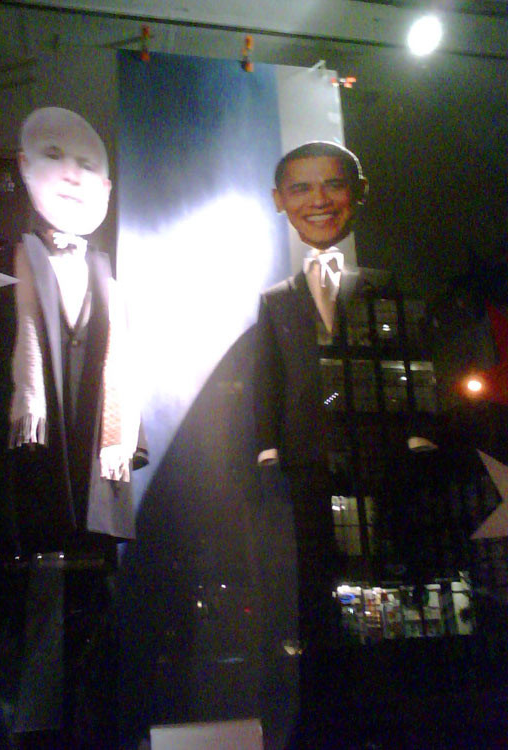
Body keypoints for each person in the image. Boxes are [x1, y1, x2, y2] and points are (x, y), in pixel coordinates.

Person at [253, 141, 375, 745]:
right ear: (280, 201)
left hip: (373, 459)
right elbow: (268, 377)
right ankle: (323, 710)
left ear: (357, 191)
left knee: (376, 571)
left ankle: (374, 702)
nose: (318, 200)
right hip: (305, 463)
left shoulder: (381, 285)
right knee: (314, 582)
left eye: (332, 184)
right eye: (300, 188)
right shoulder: (277, 299)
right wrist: (268, 446)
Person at [9, 106, 147, 555]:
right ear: (24, 165)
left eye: (87, 166)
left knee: (95, 573)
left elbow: (124, 362)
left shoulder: (109, 277)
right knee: (34, 560)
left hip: (93, 441)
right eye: (53, 154)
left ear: (106, 188)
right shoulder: (10, 263)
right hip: (38, 439)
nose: (72, 175)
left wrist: (128, 441)